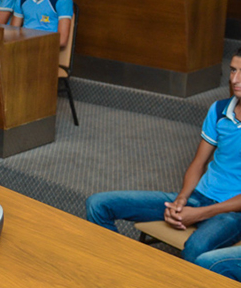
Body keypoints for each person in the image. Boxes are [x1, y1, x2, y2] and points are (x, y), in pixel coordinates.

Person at [86, 49, 241, 267]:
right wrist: (181, 199)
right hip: (198, 197)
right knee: (98, 204)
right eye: (233, 70)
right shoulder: (219, 110)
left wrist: (198, 214)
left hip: (232, 211)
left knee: (197, 249)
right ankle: (119, 270)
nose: (234, 79)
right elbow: (198, 164)